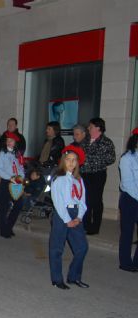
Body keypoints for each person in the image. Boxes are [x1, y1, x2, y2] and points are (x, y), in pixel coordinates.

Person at [49, 145, 89, 290]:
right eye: (68, 160)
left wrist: (79, 217)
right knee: (57, 248)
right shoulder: (58, 179)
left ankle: (74, 276)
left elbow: (82, 201)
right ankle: (57, 279)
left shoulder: (78, 180)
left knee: (82, 247)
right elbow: (58, 202)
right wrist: (67, 220)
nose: (71, 163)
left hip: (75, 213)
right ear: (63, 161)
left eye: (74, 160)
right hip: (62, 214)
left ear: (78, 163)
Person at [81, 117, 116, 235]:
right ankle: (85, 224)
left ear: (98, 128)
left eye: (90, 126)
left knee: (95, 200)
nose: (88, 128)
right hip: (84, 173)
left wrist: (93, 159)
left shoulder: (106, 142)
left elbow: (111, 159)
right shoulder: (85, 140)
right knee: (85, 200)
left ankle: (94, 227)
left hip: (97, 174)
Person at [0, 132, 25, 238]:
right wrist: (10, 178)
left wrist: (21, 177)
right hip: (6, 182)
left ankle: (9, 227)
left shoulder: (16, 155)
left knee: (18, 205)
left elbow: (20, 168)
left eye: (11, 140)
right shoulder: (2, 154)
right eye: (7, 140)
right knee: (4, 207)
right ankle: (4, 230)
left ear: (15, 142)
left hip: (16, 182)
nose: (8, 142)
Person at [118, 129, 138, 272]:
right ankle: (125, 263)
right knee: (127, 233)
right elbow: (128, 183)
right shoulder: (127, 158)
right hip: (130, 199)